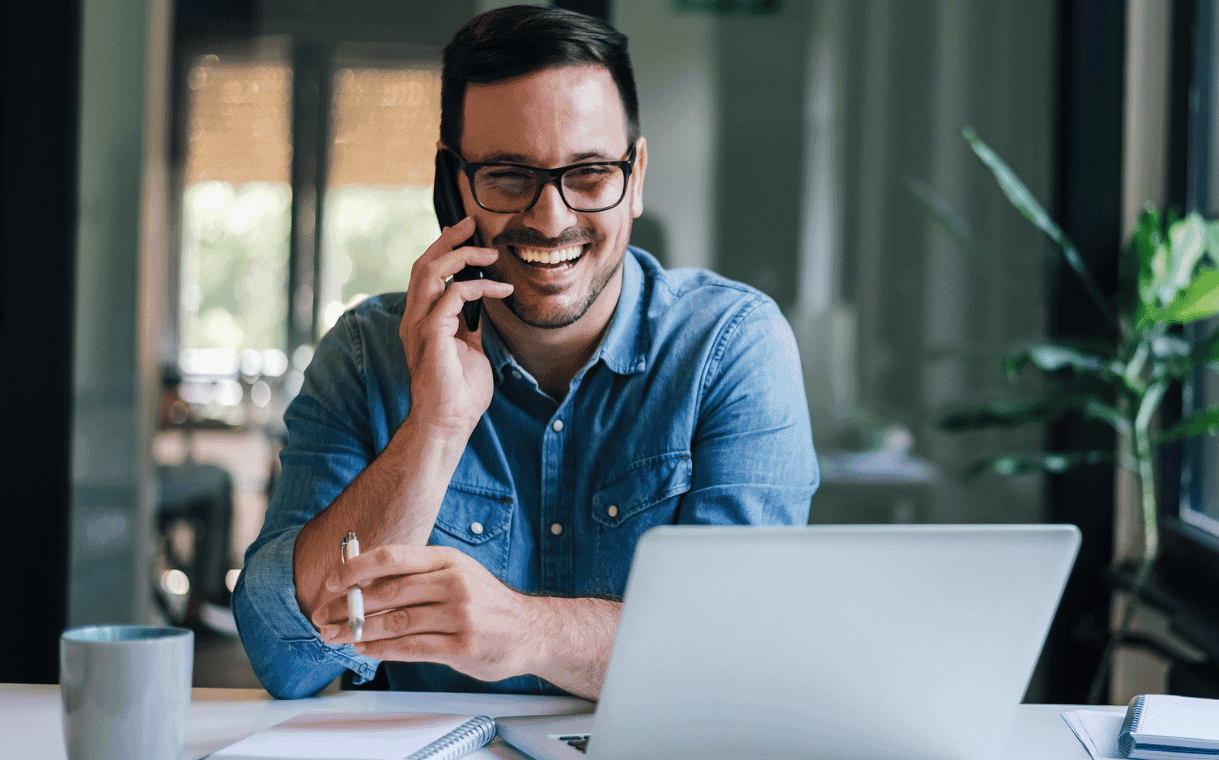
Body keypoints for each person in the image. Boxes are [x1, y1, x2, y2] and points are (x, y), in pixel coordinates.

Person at [233, 5, 818, 701]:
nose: (551, 218)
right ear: (454, 185)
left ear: (635, 177)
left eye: (590, 174)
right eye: (510, 176)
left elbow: (742, 655)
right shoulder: (366, 354)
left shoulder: (731, 348)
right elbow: (283, 658)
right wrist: (435, 430)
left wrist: (524, 631)